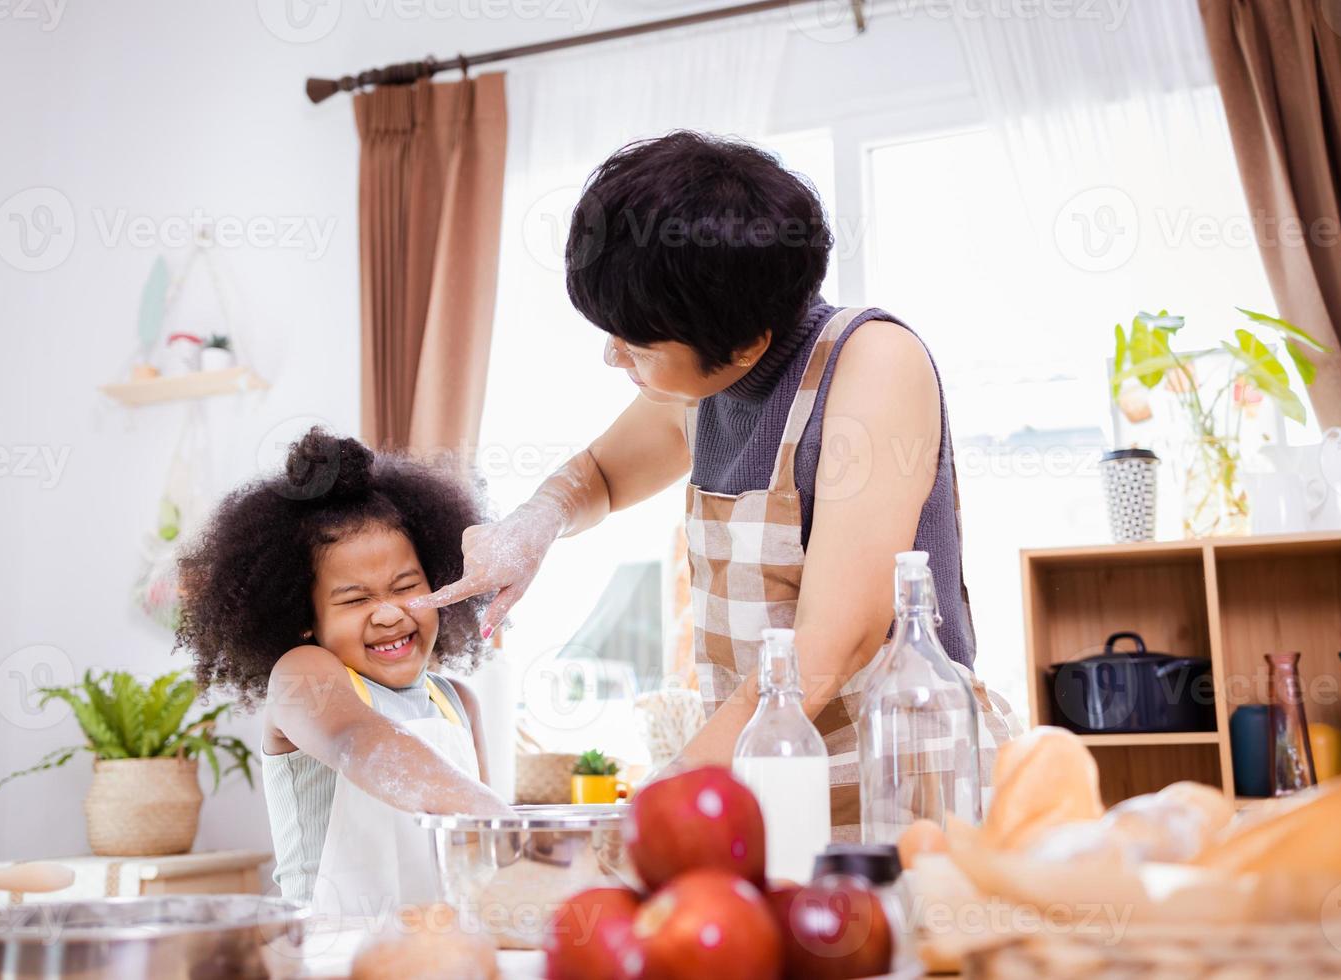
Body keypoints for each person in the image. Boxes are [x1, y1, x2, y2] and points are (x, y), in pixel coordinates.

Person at [413, 131, 1014, 842]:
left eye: (637, 346)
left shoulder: (873, 365)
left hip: (904, 785)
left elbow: (833, 645)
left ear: (748, 345)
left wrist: (658, 804)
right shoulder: (700, 382)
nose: (614, 358)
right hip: (767, 780)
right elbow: (596, 475)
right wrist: (532, 527)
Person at [176, 428, 510, 908]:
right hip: (329, 954)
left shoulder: (458, 702)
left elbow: (480, 852)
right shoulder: (303, 673)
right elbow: (359, 741)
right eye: (356, 599)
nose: (390, 613)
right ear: (305, 619)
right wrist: (499, 816)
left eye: (405, 586)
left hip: (432, 949)